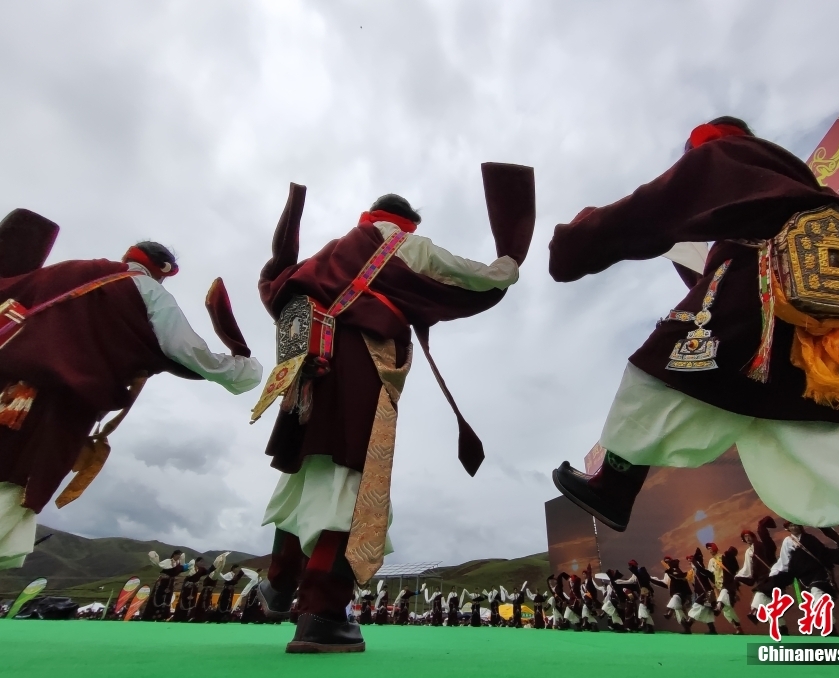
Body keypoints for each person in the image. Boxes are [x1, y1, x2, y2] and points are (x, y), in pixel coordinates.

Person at [547, 116, 839, 656]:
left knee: (658, 373)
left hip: (761, 311)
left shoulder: (724, 157)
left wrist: (575, 240)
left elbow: (652, 207)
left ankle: (615, 482)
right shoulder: (812, 196)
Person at [255, 180, 530, 653]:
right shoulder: (411, 246)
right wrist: (510, 261)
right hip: (361, 365)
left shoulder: (334, 248)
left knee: (307, 466)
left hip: (311, 367)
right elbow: (479, 277)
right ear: (410, 223)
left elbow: (283, 286)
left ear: (371, 213)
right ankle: (321, 612)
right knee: (351, 475)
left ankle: (279, 583)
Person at [0, 220, 263, 570]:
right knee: (12, 487)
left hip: (7, 387)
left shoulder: (65, 271)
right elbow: (185, 350)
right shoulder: (147, 290)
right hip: (55, 405)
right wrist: (245, 372)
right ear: (164, 268)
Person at [735, 517, 778, 624]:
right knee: (769, 604)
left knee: (760, 593)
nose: (747, 538)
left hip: (769, 576)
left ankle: (754, 612)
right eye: (745, 537)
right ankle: (781, 627)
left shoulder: (761, 545)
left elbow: (770, 550)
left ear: (753, 536)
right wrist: (739, 577)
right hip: (760, 578)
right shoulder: (748, 552)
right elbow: (747, 567)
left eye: (749, 536)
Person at [706, 542, 743, 634]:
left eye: (711, 548)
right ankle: (738, 627)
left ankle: (718, 607)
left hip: (727, 585)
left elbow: (734, 569)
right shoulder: (711, 561)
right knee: (726, 610)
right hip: (718, 587)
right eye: (708, 549)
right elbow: (710, 575)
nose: (710, 550)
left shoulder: (723, 557)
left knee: (723, 598)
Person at [141, 550, 187, 622]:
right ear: (174, 555)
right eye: (178, 555)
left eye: (180, 555)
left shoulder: (178, 564)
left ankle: (163, 616)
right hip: (163, 582)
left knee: (167, 599)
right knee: (158, 597)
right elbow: (160, 566)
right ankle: (152, 616)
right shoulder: (167, 561)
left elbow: (182, 570)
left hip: (170, 583)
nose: (179, 557)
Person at [653, 557, 693, 634]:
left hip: (681, 594)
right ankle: (687, 629)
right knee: (679, 613)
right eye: (666, 562)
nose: (667, 563)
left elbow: (680, 578)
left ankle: (669, 612)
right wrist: (651, 579)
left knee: (675, 598)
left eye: (668, 562)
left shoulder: (676, 572)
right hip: (677, 594)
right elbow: (665, 583)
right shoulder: (669, 573)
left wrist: (689, 597)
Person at [686, 550, 717, 635]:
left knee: (696, 606)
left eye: (692, 560)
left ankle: (688, 623)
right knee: (707, 613)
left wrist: (695, 562)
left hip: (706, 593)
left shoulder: (700, 570)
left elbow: (701, 569)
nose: (690, 562)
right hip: (703, 593)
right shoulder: (695, 571)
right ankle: (712, 630)